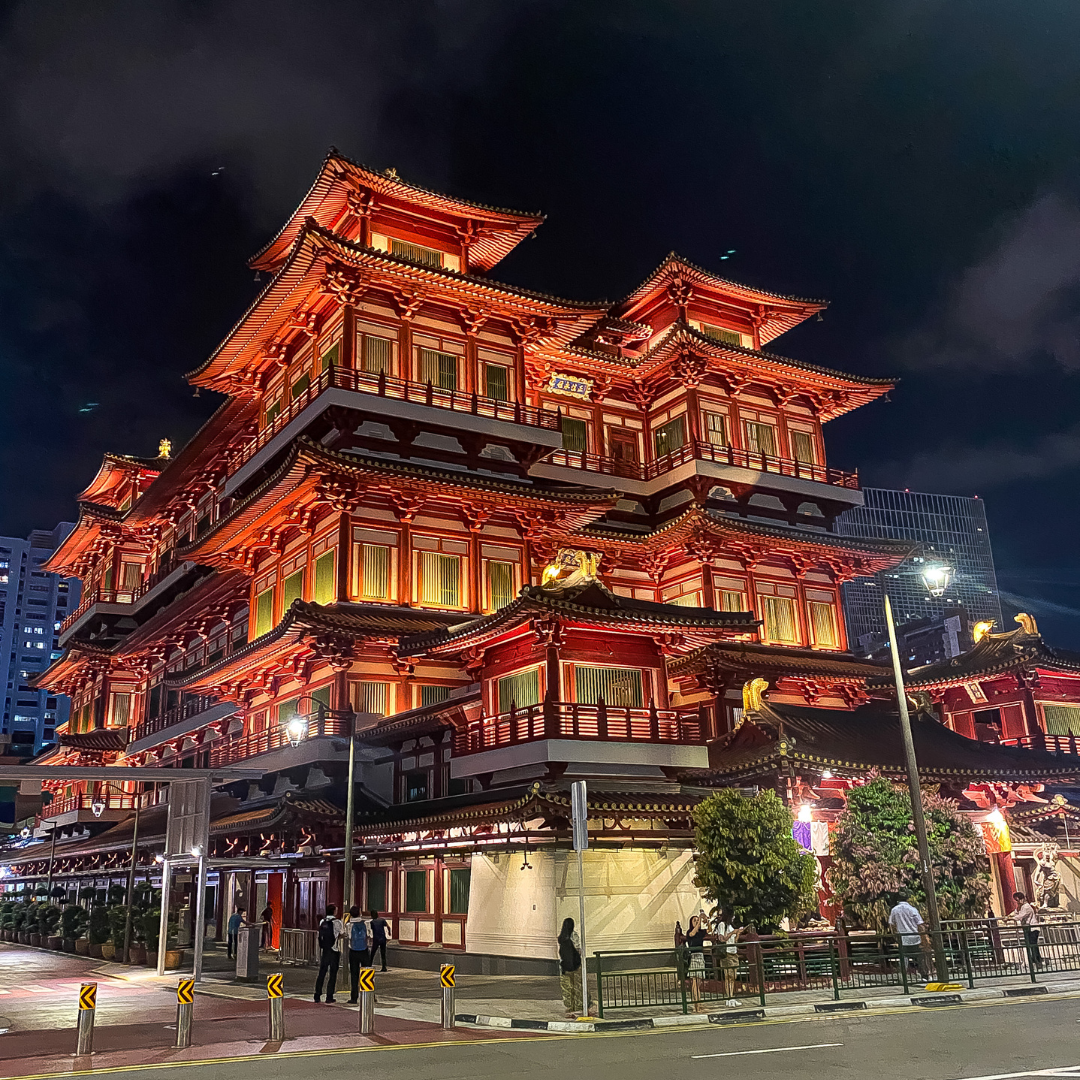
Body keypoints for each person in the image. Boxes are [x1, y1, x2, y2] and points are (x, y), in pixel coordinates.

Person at [888, 890, 929, 981]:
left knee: (903, 957)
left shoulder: (894, 910)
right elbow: (920, 924)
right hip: (915, 937)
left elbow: (892, 925)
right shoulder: (913, 909)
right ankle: (924, 976)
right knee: (920, 957)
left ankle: (903, 977)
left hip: (903, 938)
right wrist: (924, 936)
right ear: (907, 899)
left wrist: (895, 936)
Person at [313, 904, 344, 1003]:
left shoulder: (323, 921)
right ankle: (329, 996)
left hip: (325, 950)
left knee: (322, 972)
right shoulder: (337, 922)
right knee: (333, 973)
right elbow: (342, 934)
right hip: (334, 950)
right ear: (334, 911)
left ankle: (317, 994)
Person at [558, 917, 588, 1018]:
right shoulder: (573, 935)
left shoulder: (561, 938)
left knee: (567, 988)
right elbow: (578, 949)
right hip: (575, 965)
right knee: (577, 987)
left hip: (565, 967)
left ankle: (570, 1007)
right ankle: (578, 1007)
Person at [713, 913, 742, 1007]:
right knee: (728, 976)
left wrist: (737, 934)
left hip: (734, 952)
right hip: (726, 952)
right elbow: (722, 939)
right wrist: (732, 933)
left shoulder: (730, 926)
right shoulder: (722, 925)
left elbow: (735, 940)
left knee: (733, 976)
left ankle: (732, 996)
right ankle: (728, 997)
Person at [684, 914, 711, 1011]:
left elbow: (709, 929)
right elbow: (693, 933)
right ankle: (696, 1004)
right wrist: (699, 921)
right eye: (694, 920)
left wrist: (706, 921)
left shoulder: (701, 932)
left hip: (701, 956)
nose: (696, 922)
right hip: (694, 957)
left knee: (698, 982)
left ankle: (697, 1001)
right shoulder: (689, 932)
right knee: (694, 982)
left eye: (697, 920)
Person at [1013, 891, 1042, 969]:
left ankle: (1037, 961)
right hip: (1027, 928)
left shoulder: (1026, 907)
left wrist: (1011, 918)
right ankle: (1033, 960)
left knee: (1033, 944)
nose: (1017, 902)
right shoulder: (1022, 907)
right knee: (1030, 944)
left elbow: (1021, 916)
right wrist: (1017, 909)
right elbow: (1017, 913)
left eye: (1018, 900)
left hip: (1033, 928)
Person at [347, 905, 370, 1004]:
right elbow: (370, 935)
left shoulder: (349, 925)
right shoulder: (366, 923)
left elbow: (348, 936)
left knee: (354, 975)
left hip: (353, 951)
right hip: (364, 950)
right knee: (367, 974)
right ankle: (367, 996)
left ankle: (354, 997)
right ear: (360, 912)